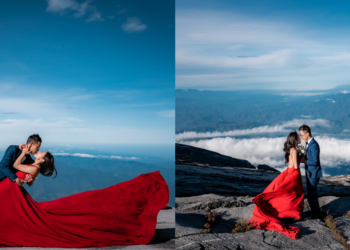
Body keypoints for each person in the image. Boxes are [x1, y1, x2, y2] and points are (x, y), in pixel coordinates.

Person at [0, 144, 169, 247]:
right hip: (10, 191)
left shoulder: (33, 167)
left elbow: (15, 165)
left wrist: (22, 151)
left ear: (42, 161)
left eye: (41, 154)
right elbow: (26, 179)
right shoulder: (33, 167)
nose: (38, 152)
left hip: (8, 191)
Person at [248, 131, 304, 239]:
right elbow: (296, 166)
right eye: (298, 137)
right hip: (294, 174)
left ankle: (289, 214)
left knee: (288, 194)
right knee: (295, 195)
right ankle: (293, 214)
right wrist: (301, 157)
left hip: (288, 172)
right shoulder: (294, 150)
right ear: (295, 139)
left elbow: (291, 164)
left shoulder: (290, 150)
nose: (300, 138)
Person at [299, 124, 322, 219]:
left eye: (302, 135)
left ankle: (315, 215)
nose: (301, 137)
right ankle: (316, 212)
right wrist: (303, 152)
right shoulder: (310, 144)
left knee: (311, 196)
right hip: (310, 173)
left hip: (313, 174)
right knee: (313, 195)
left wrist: (305, 161)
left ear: (308, 133)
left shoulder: (314, 145)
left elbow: (315, 161)